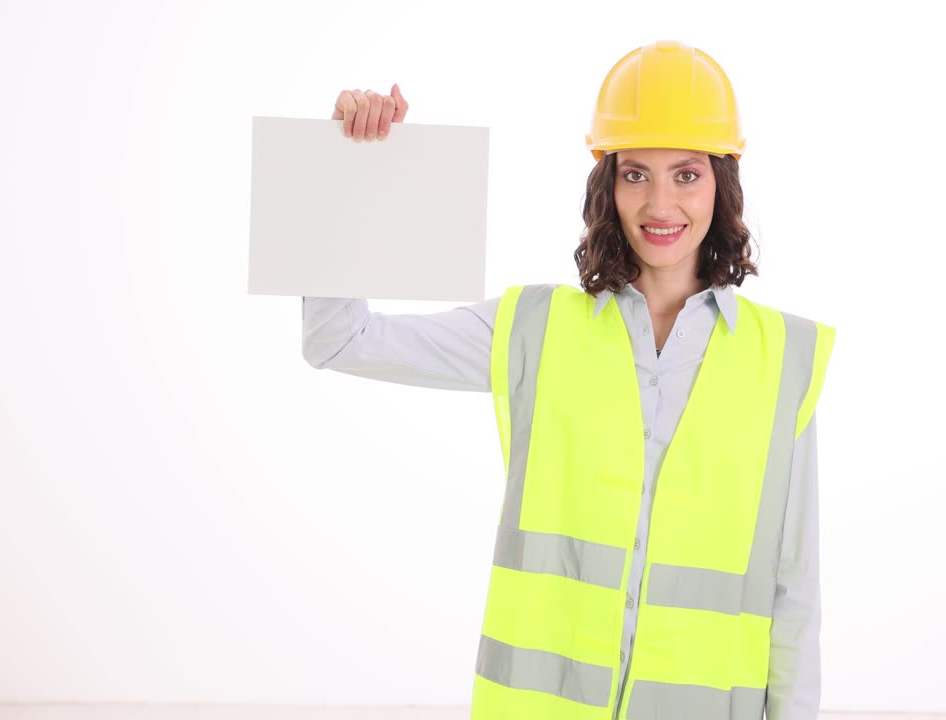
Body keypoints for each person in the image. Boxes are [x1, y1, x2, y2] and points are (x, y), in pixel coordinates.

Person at [304, 40, 834, 720]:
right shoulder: (534, 329)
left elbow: (795, 591)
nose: (660, 202)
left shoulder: (781, 357)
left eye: (687, 174)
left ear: (722, 185)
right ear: (607, 187)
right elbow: (339, 340)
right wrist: (346, 168)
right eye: (636, 174)